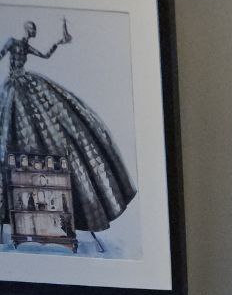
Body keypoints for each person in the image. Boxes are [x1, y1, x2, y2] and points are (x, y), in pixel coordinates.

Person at [0, 18, 136, 243]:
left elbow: (45, 55)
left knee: (56, 128)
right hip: (14, 87)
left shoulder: (25, 47)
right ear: (26, 30)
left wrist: (58, 43)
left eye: (34, 31)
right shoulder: (12, 42)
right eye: (31, 29)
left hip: (25, 82)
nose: (32, 33)